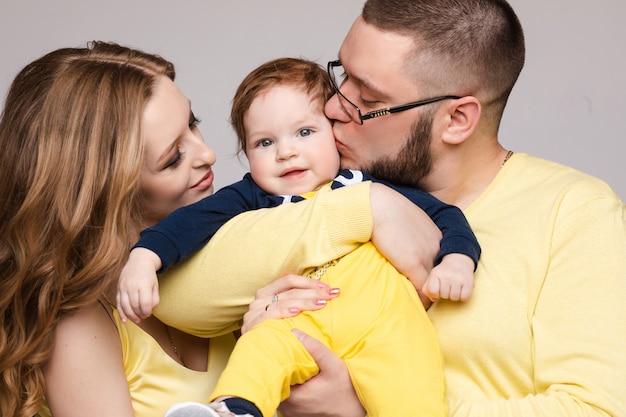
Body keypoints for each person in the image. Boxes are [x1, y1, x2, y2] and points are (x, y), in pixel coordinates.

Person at [0, 42, 444, 417]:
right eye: (173, 157)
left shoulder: (237, 245)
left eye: (194, 124)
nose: (209, 154)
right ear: (104, 188)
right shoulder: (79, 323)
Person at [270, 0, 626, 416]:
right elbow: (185, 303)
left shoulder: (575, 213)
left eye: (366, 97)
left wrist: (370, 407)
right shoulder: (321, 191)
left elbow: (596, 408)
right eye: (342, 75)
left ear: (457, 119)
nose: (333, 108)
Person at [117, 57, 480, 417]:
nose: (286, 152)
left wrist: (458, 261)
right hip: (301, 318)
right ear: (245, 154)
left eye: (305, 132)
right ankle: (233, 410)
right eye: (264, 143)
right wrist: (144, 257)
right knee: (261, 345)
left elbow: (446, 216)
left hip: (388, 325)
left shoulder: (367, 182)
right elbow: (190, 223)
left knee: (413, 390)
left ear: (335, 132)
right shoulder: (251, 197)